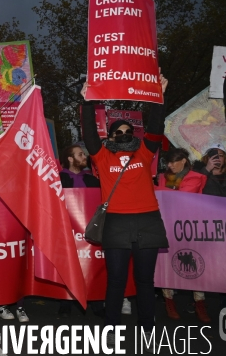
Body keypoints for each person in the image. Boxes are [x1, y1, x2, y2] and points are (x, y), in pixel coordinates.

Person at [80, 72, 169, 346]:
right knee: (116, 281)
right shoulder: (101, 154)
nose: (123, 135)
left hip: (147, 221)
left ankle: (148, 330)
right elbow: (89, 132)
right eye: (118, 132)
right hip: (116, 223)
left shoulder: (144, 151)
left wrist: (159, 95)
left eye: (128, 132)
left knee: (145, 281)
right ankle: (111, 331)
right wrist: (85, 102)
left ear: (134, 134)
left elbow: (156, 125)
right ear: (111, 134)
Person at [154, 148, 209, 321]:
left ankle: (199, 302)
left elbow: (182, 197)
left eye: (173, 162)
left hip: (189, 227)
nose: (169, 165)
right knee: (166, 264)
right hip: (167, 225)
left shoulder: (196, 177)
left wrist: (155, 189)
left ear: (183, 161)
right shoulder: (163, 177)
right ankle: (169, 300)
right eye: (167, 162)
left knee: (195, 266)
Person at [193, 143, 226, 311]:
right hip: (204, 227)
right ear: (207, 158)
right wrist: (206, 170)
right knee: (203, 263)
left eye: (221, 155)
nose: (218, 158)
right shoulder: (200, 173)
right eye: (214, 155)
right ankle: (198, 301)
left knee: (225, 265)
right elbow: (191, 190)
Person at [57, 144, 105, 319]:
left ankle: (96, 302)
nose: (84, 156)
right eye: (80, 154)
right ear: (70, 159)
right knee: (68, 266)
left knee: (92, 266)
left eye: (84, 154)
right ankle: (65, 302)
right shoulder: (57, 180)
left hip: (90, 232)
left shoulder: (93, 180)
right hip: (67, 232)